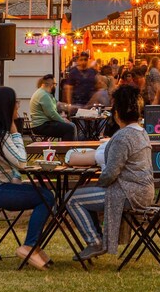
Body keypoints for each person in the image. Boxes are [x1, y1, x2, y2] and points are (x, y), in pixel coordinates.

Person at [0, 86, 56, 270]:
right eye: (15, 103)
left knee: (44, 195)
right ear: (6, 107)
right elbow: (21, 161)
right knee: (46, 197)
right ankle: (29, 246)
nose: (18, 106)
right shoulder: (1, 136)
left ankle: (33, 246)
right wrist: (16, 132)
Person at [66, 85, 154, 261]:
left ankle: (94, 241)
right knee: (85, 193)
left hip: (127, 194)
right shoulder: (141, 132)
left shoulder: (122, 137)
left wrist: (98, 184)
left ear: (117, 113)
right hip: (144, 192)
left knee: (71, 198)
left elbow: (111, 172)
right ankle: (97, 237)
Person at [29, 74, 77, 140]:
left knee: (70, 126)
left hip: (41, 124)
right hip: (41, 126)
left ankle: (71, 148)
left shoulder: (44, 93)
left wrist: (68, 109)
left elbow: (56, 105)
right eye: (55, 84)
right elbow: (51, 114)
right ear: (51, 84)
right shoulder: (44, 95)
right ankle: (67, 149)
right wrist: (62, 120)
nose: (55, 86)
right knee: (69, 128)